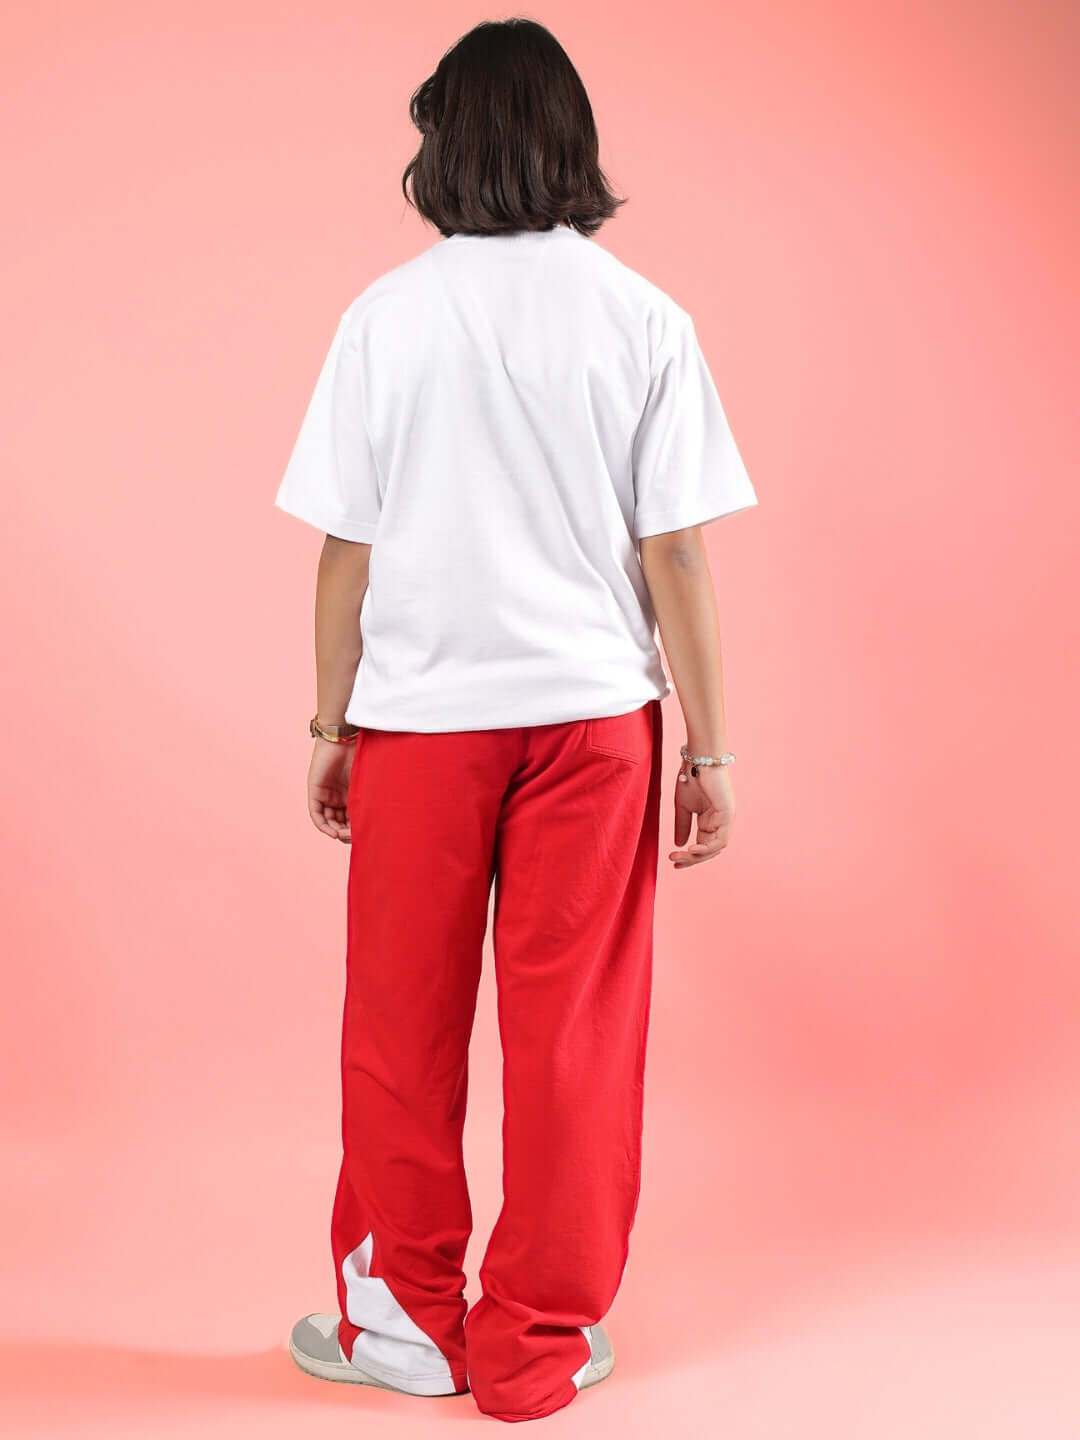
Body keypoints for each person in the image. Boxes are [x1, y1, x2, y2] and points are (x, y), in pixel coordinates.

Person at [273, 16, 758, 1425]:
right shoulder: (643, 316)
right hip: (596, 728)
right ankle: (537, 1335)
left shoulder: (388, 316)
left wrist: (329, 723)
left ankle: (410, 1328)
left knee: (401, 1029)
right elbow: (678, 555)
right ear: (570, 144)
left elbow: (345, 551)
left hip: (423, 723)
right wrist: (712, 752)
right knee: (575, 1038)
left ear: (446, 144)